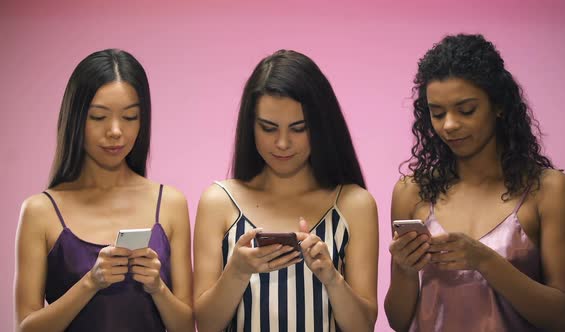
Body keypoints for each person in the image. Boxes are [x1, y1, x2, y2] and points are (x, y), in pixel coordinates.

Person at [384, 34, 565, 332]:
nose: (449, 125)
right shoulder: (412, 191)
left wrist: (484, 260)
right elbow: (399, 322)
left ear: (499, 106)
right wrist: (404, 269)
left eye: (466, 110)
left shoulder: (548, 191)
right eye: (437, 113)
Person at [192, 49, 378, 332]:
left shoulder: (354, 204)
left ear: (320, 126)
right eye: (268, 128)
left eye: (298, 128)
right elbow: (204, 326)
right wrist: (237, 272)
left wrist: (331, 277)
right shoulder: (219, 201)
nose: (282, 143)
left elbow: (363, 327)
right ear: (250, 125)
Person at [14, 49, 194, 332]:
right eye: (98, 117)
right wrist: (90, 282)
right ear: (75, 119)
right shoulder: (40, 211)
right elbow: (25, 328)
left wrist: (157, 287)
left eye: (130, 117)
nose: (115, 131)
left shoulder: (170, 203)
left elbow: (186, 326)